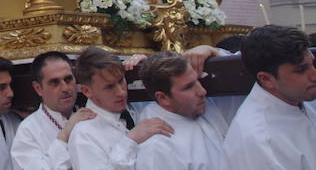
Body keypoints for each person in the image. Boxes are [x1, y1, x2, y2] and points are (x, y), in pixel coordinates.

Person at [224, 25, 316, 169]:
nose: (314, 75)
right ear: (266, 79)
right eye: (301, 70)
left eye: (313, 64)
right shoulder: (258, 140)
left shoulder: (301, 96)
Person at [68, 47, 173, 170]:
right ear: (87, 91)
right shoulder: (84, 134)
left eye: (121, 81)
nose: (121, 92)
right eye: (109, 87)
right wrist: (130, 141)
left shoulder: (140, 109)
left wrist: (150, 68)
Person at [134, 51, 228, 170]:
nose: (202, 91)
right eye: (188, 87)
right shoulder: (158, 148)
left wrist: (213, 50)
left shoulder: (205, 107)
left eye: (198, 80)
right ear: (163, 98)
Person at [10, 51, 96, 170]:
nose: (65, 88)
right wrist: (65, 134)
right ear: (38, 88)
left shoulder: (91, 116)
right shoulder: (28, 131)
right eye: (55, 82)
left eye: (68, 79)